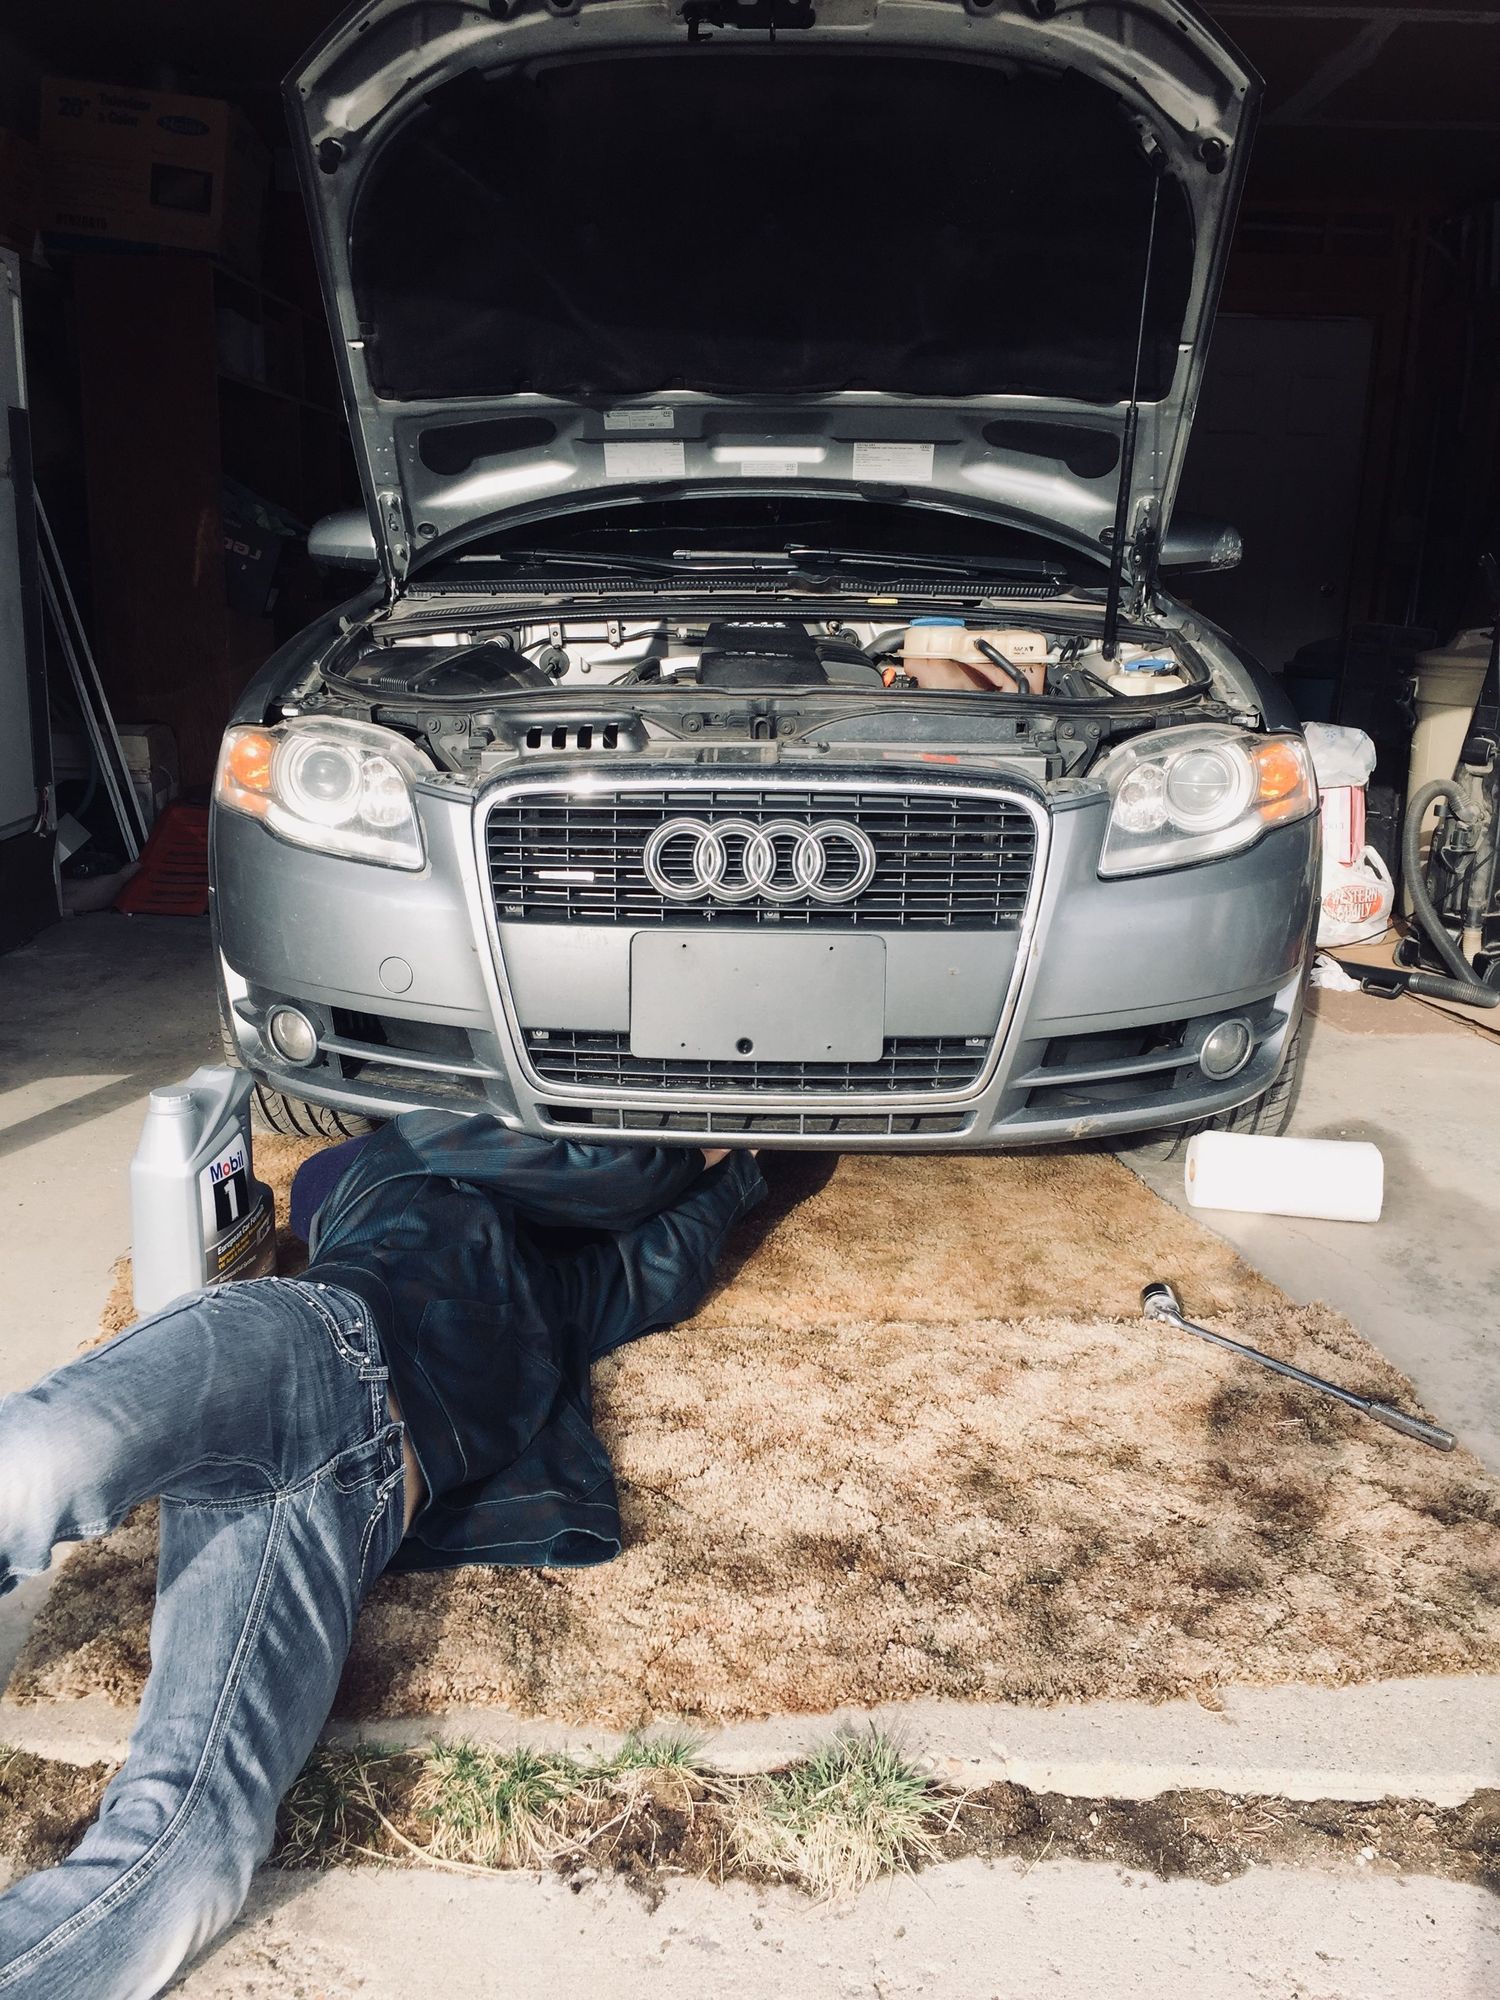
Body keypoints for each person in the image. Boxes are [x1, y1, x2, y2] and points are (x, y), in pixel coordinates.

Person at [0, 1115, 764, 2000]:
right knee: (34, 1465)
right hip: (297, 1354)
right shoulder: (398, 1156)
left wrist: (748, 1173)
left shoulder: (560, 1291)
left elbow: (656, 1268)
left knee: (195, 1851)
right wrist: (708, 1141)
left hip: (345, 1510)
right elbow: (615, 1174)